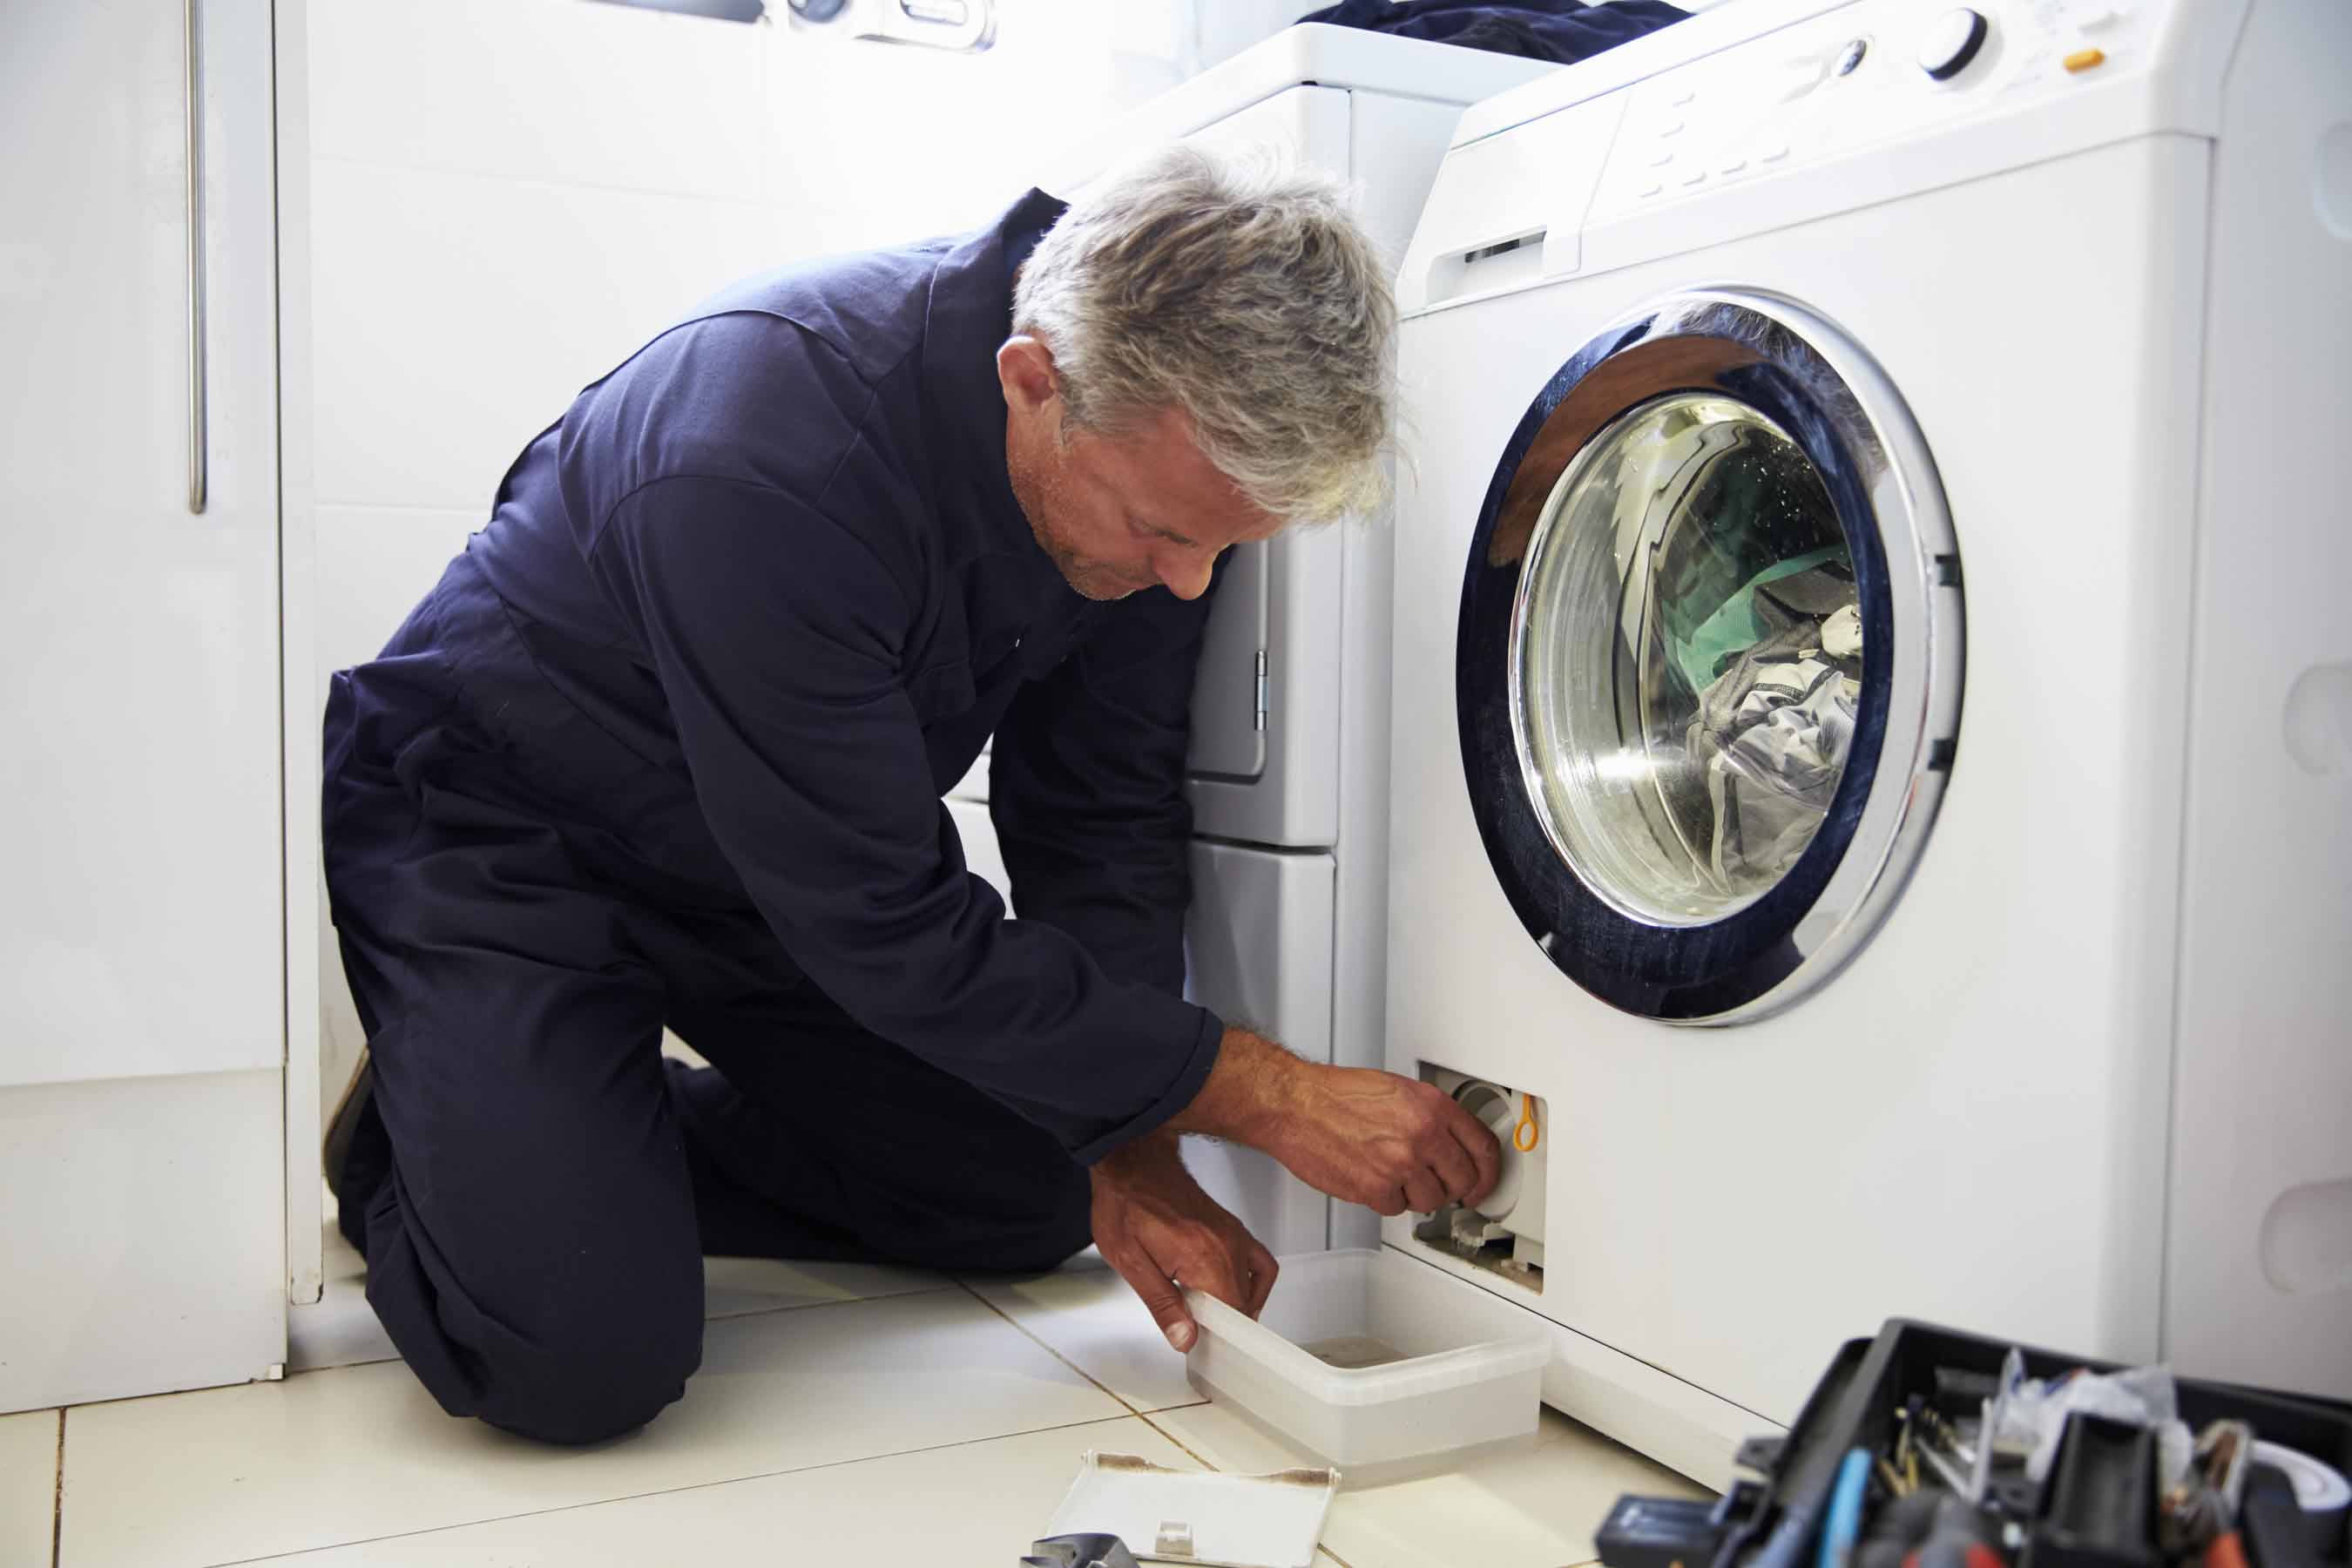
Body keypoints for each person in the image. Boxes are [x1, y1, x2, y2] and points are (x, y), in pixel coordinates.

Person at [321, 146, 1502, 1446]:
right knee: (575, 1362)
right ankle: (424, 1135)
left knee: (1031, 1193)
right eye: (1165, 535)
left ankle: (584, 1130)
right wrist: (1263, 1090)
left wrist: (1139, 1146)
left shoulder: (1142, 473)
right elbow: (885, 926)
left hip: (760, 864)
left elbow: (1097, 811)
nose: (1185, 583)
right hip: (501, 827)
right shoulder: (765, 448)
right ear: (1033, 381)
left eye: (1225, 544)